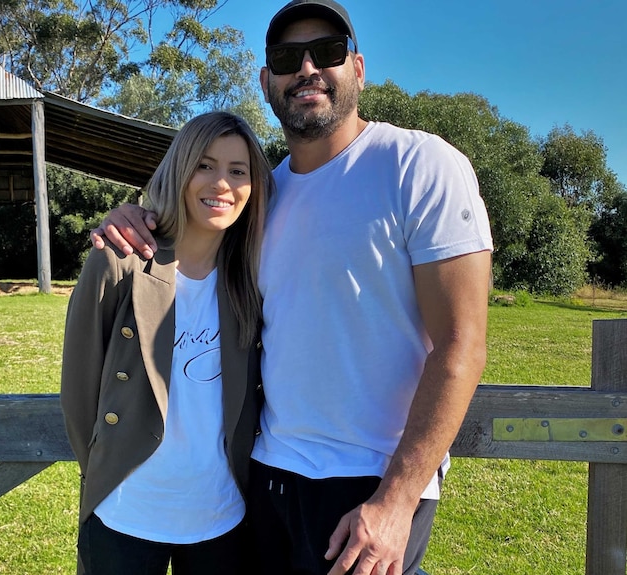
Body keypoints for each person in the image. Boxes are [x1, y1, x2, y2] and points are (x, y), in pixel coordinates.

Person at [90, 1, 494, 574]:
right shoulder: (260, 199)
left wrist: (397, 500)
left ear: (356, 67)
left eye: (326, 52)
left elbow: (463, 345)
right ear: (266, 81)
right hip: (264, 477)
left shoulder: (419, 165)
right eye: (285, 58)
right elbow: (187, 234)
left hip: (371, 485)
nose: (306, 68)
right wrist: (132, 215)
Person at [61, 111, 274, 575]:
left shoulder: (253, 277)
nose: (222, 183)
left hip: (221, 519)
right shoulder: (121, 260)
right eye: (205, 164)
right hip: (125, 514)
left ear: (252, 187)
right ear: (180, 169)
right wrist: (103, 468)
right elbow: (78, 391)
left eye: (238, 171)